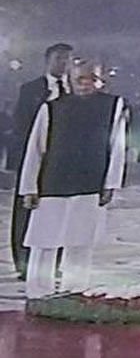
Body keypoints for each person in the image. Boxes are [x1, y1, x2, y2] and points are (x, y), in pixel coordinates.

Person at [18, 59, 126, 298]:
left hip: (90, 183)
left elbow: (117, 146)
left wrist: (111, 183)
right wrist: (29, 187)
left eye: (92, 79)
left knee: (81, 241)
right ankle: (38, 292)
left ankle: (75, 290)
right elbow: (36, 149)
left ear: (101, 81)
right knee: (43, 242)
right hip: (52, 183)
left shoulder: (113, 106)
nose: (86, 84)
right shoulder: (52, 108)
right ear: (69, 80)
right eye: (80, 79)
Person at [10, 43, 73, 279]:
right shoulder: (31, 89)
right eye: (59, 58)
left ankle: (54, 261)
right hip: (33, 159)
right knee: (26, 210)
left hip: (62, 165)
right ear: (48, 60)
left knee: (58, 212)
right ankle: (23, 261)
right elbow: (21, 125)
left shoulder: (73, 92)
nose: (63, 64)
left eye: (67, 59)